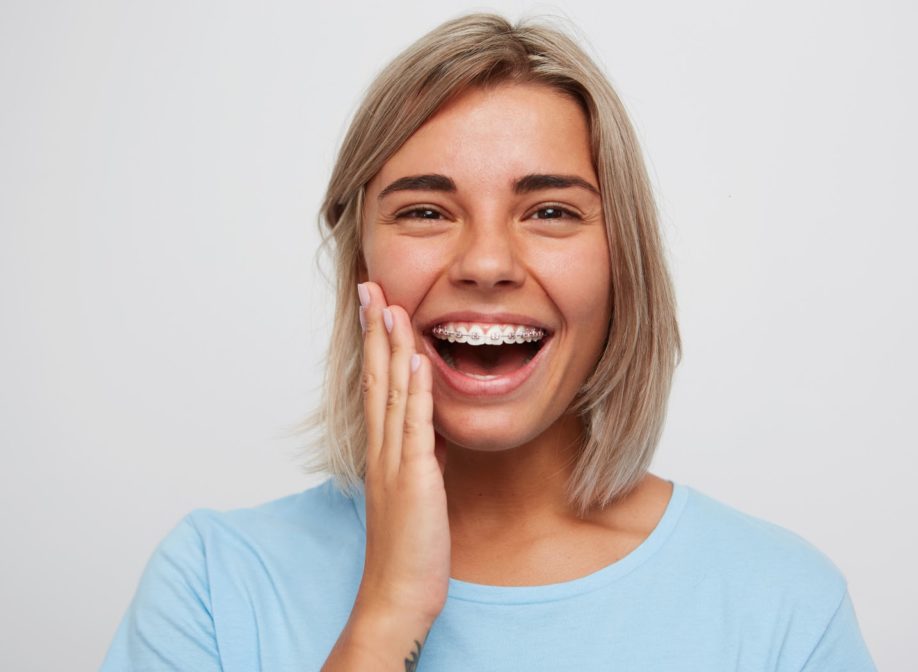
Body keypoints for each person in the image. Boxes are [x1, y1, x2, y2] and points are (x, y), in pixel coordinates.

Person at [100, 12, 877, 671]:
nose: (487, 264)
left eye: (550, 212)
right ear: (360, 262)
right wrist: (386, 614)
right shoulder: (209, 583)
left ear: (621, 265)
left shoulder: (784, 608)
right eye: (426, 212)